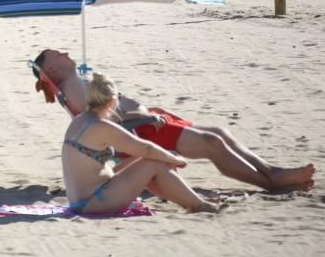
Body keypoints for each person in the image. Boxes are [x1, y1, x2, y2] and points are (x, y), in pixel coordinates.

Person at [34, 50, 316, 192]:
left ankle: (271, 171)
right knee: (212, 143)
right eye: (59, 53)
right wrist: (143, 115)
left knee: (219, 132)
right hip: (143, 130)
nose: (66, 53)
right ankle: (270, 182)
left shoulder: (73, 83)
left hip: (146, 122)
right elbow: (107, 122)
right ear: (51, 67)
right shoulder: (73, 87)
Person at [61, 72, 221, 214]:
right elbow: (146, 149)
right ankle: (199, 205)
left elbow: (118, 122)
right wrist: (176, 159)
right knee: (155, 162)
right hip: (94, 202)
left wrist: (145, 120)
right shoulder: (102, 126)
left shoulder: (80, 120)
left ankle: (189, 199)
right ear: (112, 102)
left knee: (148, 160)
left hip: (82, 199)